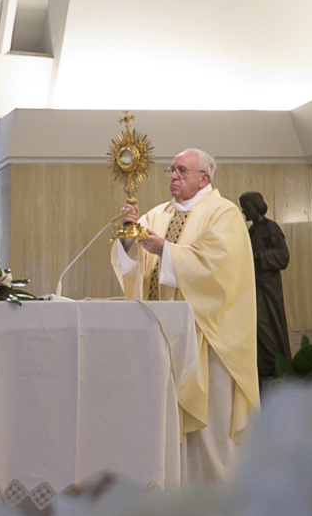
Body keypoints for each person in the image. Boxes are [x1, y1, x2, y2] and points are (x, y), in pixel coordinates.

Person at [111, 149, 257, 480]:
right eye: (171, 170)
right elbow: (133, 267)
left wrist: (165, 250)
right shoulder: (156, 215)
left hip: (208, 336)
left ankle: (214, 495)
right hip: (161, 337)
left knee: (210, 428)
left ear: (204, 178)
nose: (174, 176)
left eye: (182, 170)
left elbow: (220, 269)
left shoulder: (223, 213)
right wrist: (129, 235)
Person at [237, 191, 292, 380]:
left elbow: (283, 256)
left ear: (256, 205)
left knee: (267, 324)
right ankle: (264, 368)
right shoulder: (251, 231)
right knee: (256, 326)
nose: (244, 211)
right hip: (253, 286)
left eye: (246, 206)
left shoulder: (271, 227)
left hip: (268, 288)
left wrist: (258, 256)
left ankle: (277, 365)